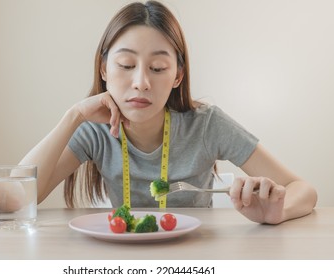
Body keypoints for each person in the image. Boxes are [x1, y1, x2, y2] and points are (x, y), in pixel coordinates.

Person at [19, 0, 317, 224]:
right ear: (104, 69)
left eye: (158, 68)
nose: (141, 83)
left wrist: (277, 212)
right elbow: (15, 200)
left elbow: (303, 190)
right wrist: (73, 116)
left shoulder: (206, 125)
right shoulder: (94, 129)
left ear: (177, 76)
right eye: (125, 65)